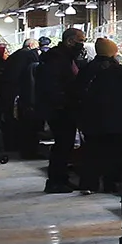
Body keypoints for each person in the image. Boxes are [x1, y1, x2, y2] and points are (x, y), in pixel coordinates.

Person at [77, 38, 122, 193]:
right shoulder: (120, 71)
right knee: (114, 154)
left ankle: (89, 184)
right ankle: (111, 184)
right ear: (113, 53)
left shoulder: (86, 69)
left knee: (92, 152)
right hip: (117, 120)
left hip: (91, 119)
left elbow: (78, 91)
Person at [36, 27, 88, 191]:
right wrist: (63, 102)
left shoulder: (66, 57)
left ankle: (61, 178)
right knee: (62, 144)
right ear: (70, 41)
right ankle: (55, 181)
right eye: (80, 41)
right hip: (59, 109)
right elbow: (53, 84)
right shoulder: (57, 58)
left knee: (66, 145)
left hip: (65, 107)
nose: (82, 44)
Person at [1, 37, 39, 156]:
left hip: (10, 93)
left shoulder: (16, 55)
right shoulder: (29, 55)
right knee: (27, 123)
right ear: (31, 45)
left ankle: (13, 145)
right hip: (23, 93)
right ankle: (28, 150)